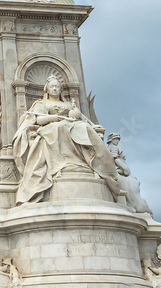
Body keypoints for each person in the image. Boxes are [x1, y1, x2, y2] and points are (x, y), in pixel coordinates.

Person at [13, 74, 119, 204]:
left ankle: (89, 162)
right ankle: (62, 165)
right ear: (47, 89)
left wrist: (88, 122)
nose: (55, 89)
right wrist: (54, 118)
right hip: (51, 126)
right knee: (59, 127)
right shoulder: (41, 103)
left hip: (71, 124)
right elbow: (38, 119)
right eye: (52, 86)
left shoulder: (69, 104)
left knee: (84, 128)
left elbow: (81, 118)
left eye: (57, 86)